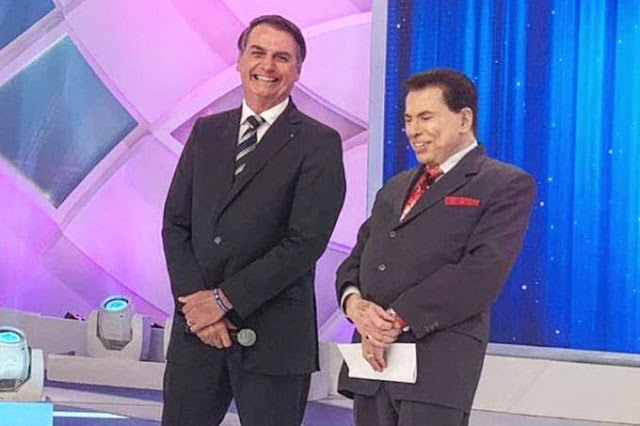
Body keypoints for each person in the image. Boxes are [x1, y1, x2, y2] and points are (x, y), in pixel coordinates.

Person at [161, 15, 346, 426]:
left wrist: (223, 301)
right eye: (257, 53)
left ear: (298, 70)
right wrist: (198, 307)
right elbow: (176, 224)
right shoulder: (207, 133)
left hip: (273, 340)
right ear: (240, 61)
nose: (267, 65)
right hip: (197, 335)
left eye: (282, 57)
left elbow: (304, 242)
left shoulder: (319, 143)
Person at [336, 68, 536, 426]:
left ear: (464, 119)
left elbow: (481, 273)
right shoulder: (395, 187)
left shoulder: (503, 183)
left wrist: (393, 320)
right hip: (372, 367)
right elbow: (357, 260)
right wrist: (355, 305)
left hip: (436, 368)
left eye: (426, 117)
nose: (413, 130)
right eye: (408, 119)